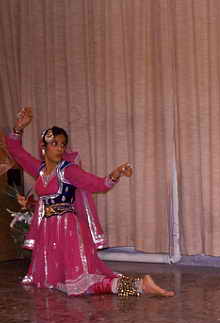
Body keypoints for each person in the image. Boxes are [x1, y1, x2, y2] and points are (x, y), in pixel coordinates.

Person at [5, 107, 174, 297]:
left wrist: (115, 174)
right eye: (55, 144)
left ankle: (138, 285)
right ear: (44, 147)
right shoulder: (40, 169)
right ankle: (137, 285)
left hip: (67, 231)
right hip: (48, 233)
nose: (60, 148)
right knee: (57, 283)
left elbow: (98, 184)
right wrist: (18, 128)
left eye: (62, 144)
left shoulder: (68, 170)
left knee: (78, 283)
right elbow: (15, 151)